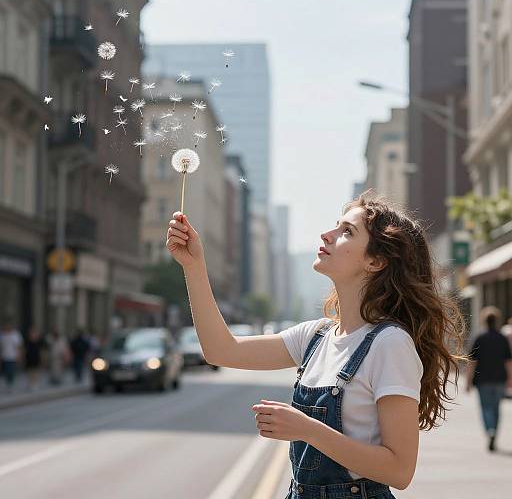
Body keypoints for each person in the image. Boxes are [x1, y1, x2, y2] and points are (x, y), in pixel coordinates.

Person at [166, 190, 469, 497]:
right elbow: (221, 351)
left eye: (346, 231)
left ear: (376, 261)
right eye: (337, 225)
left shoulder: (390, 344)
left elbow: (399, 470)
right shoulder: (316, 336)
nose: (327, 234)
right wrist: (193, 267)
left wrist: (306, 429)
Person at [466, 306, 512, 451]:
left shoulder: (479, 338)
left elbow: (472, 362)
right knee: (496, 407)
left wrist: (468, 381)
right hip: (499, 378)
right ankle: (494, 432)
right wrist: (510, 378)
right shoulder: (502, 338)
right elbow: (508, 361)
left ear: (484, 321)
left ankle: (489, 431)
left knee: (486, 407)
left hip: (482, 380)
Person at [0, 319, 23, 393]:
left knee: (11, 370)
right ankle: (8, 384)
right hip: (4, 356)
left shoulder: (15, 334)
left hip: (13, 356)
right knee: (6, 371)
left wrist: (19, 355)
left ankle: (11, 384)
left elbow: (18, 346)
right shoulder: (2, 335)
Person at [23, 327, 46, 391]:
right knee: (30, 371)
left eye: (34, 333)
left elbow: (42, 351)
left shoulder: (40, 342)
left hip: (37, 358)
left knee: (36, 371)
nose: (33, 334)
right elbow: (24, 350)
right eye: (32, 333)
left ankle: (35, 383)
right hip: (29, 358)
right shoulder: (27, 341)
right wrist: (23, 357)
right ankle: (30, 383)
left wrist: (43, 358)